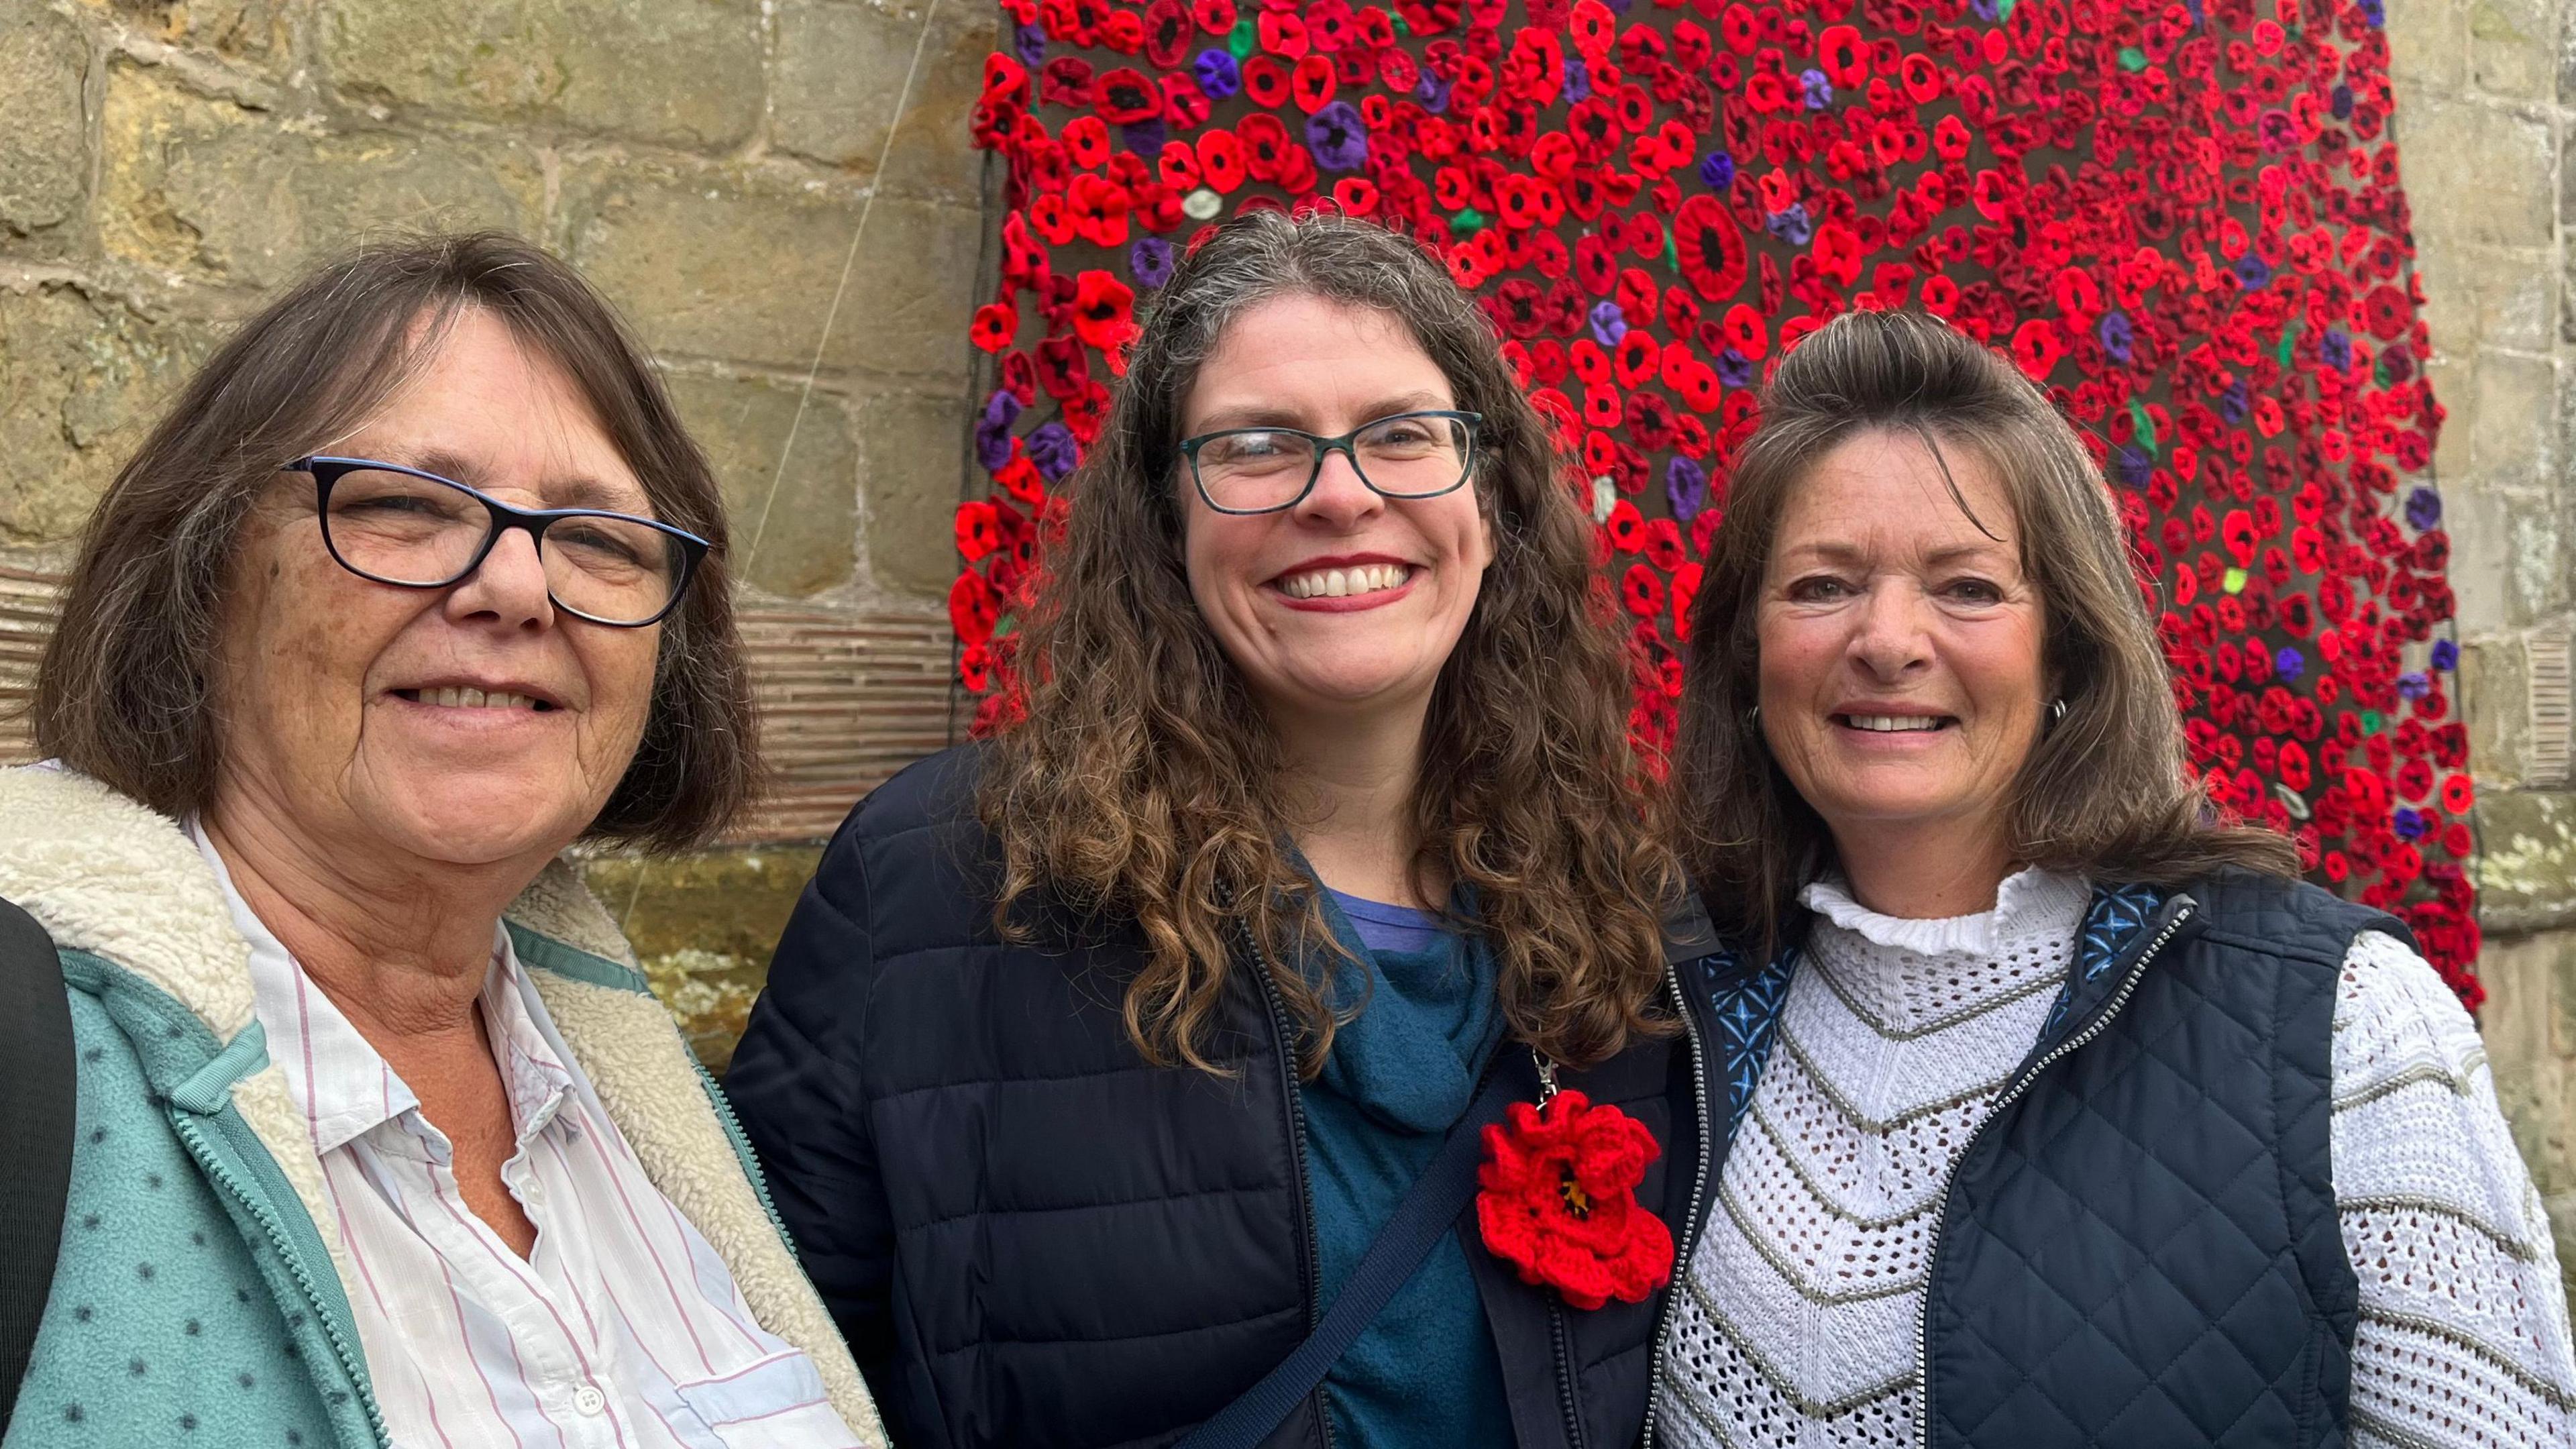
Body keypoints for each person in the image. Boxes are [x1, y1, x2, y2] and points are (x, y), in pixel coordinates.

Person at [727, 209, 1717, 1448]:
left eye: (1405, 436)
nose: (1342, 496)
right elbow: (767, 1377)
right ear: (1164, 518)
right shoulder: (939, 884)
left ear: (1492, 497)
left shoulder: (1631, 922)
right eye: (1257, 447)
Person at [3, 233, 881, 1448]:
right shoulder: (32, 1060)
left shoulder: (633, 1088)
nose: (517, 588)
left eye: (598, 539)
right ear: (202, 578)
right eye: (406, 508)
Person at [1652, 307, 2576, 1448]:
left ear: (2069, 655)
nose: (1887, 638)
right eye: (1822, 585)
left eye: (1969, 588)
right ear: (1747, 654)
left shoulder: (2345, 1023)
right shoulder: (1662, 1009)